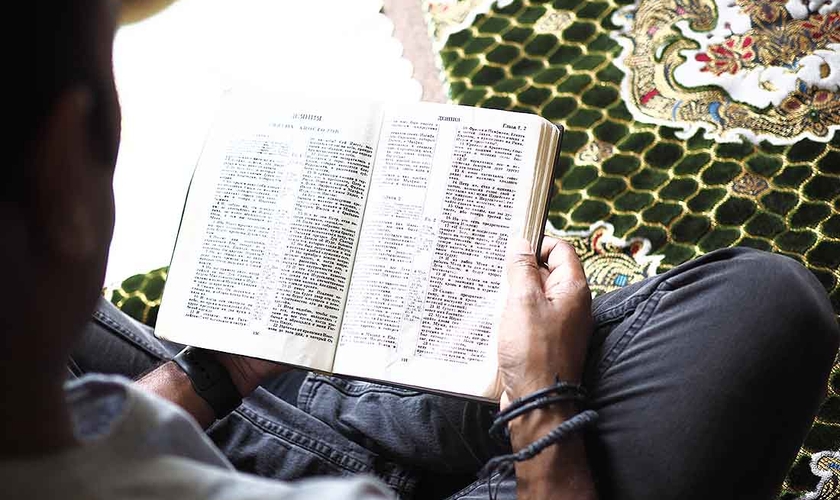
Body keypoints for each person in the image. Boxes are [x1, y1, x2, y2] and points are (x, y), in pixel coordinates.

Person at [2, 1, 838, 499]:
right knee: (766, 308)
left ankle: (337, 389)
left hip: (220, 430)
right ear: (60, 177)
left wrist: (207, 374)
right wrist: (543, 405)